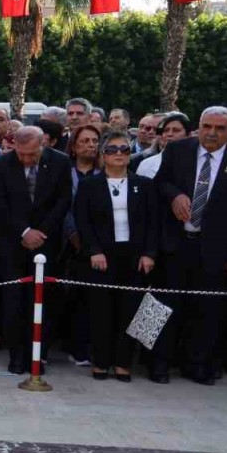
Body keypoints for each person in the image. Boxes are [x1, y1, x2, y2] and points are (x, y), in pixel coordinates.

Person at [152, 106, 227, 385]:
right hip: (174, 244)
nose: (212, 133)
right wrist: (174, 195)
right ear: (199, 125)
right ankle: (157, 363)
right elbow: (159, 184)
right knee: (162, 305)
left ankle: (197, 364)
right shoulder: (178, 151)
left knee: (207, 310)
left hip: (213, 249)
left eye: (220, 128)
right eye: (207, 126)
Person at [74, 130, 159, 382]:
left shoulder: (143, 185)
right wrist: (94, 251)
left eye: (123, 149)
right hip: (101, 257)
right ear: (103, 154)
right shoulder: (90, 184)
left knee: (129, 310)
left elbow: (153, 222)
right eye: (112, 149)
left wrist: (149, 253)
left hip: (133, 257)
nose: (118, 154)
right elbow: (82, 220)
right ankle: (101, 361)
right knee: (101, 311)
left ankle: (123, 363)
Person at [0, 125, 73, 374]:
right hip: (13, 244)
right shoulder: (3, 164)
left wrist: (40, 232)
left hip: (47, 242)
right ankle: (17, 356)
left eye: (31, 154)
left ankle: (38, 355)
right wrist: (24, 232)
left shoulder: (60, 162)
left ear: (43, 145)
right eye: (21, 154)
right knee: (14, 303)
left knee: (43, 303)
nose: (26, 159)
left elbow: (63, 200)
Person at [136, 112, 191, 179]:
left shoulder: (198, 161)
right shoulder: (146, 165)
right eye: (166, 130)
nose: (169, 134)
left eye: (176, 130)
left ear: (189, 135)